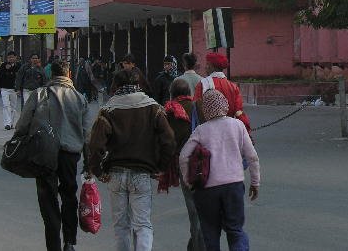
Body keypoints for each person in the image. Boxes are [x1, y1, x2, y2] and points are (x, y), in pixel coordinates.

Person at [86, 68, 175, 251]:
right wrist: (161, 166)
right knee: (142, 225)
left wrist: (98, 171)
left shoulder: (108, 110)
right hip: (142, 174)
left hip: (116, 175)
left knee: (121, 226)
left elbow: (95, 145)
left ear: (116, 85)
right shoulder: (153, 108)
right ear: (138, 84)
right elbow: (169, 140)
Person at [16, 60, 87, 251]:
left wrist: (19, 140)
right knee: (69, 196)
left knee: (48, 198)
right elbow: (86, 132)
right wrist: (89, 161)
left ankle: (53, 243)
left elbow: (23, 123)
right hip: (70, 154)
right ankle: (70, 242)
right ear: (69, 74)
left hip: (44, 154)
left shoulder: (39, 94)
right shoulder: (79, 98)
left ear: (51, 75)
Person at [179, 89, 259, 251]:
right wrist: (255, 182)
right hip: (234, 186)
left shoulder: (201, 130)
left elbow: (183, 157)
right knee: (235, 230)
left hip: (207, 189)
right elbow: (252, 157)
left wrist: (188, 181)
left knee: (210, 233)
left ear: (205, 109)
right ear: (225, 105)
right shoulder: (237, 125)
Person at [159, 79, 205, 251]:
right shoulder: (198, 106)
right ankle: (196, 242)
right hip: (202, 159)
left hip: (183, 162)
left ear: (172, 93)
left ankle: (198, 244)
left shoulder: (169, 110)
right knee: (203, 204)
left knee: (193, 207)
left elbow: (167, 141)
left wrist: (162, 165)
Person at [193, 52, 251, 133]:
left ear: (210, 66)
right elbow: (238, 112)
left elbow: (196, 110)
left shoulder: (203, 84)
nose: (205, 67)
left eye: (206, 64)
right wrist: (246, 130)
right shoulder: (233, 86)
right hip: (229, 130)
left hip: (209, 131)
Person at [0, 50, 22, 130]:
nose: (11, 59)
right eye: (9, 57)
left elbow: (20, 77)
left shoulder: (19, 66)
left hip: (14, 89)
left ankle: (11, 123)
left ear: (16, 58)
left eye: (12, 57)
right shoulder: (3, 66)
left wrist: (20, 88)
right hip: (4, 89)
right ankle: (7, 123)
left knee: (13, 106)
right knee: (6, 106)